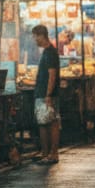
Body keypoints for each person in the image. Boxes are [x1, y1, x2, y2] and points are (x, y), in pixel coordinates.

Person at [31, 25, 60, 165]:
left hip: (46, 95)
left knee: (49, 123)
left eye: (35, 36)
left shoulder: (50, 53)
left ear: (41, 35)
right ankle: (46, 153)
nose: (34, 39)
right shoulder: (48, 52)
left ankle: (52, 153)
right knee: (46, 123)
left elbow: (52, 75)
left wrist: (48, 94)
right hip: (43, 94)